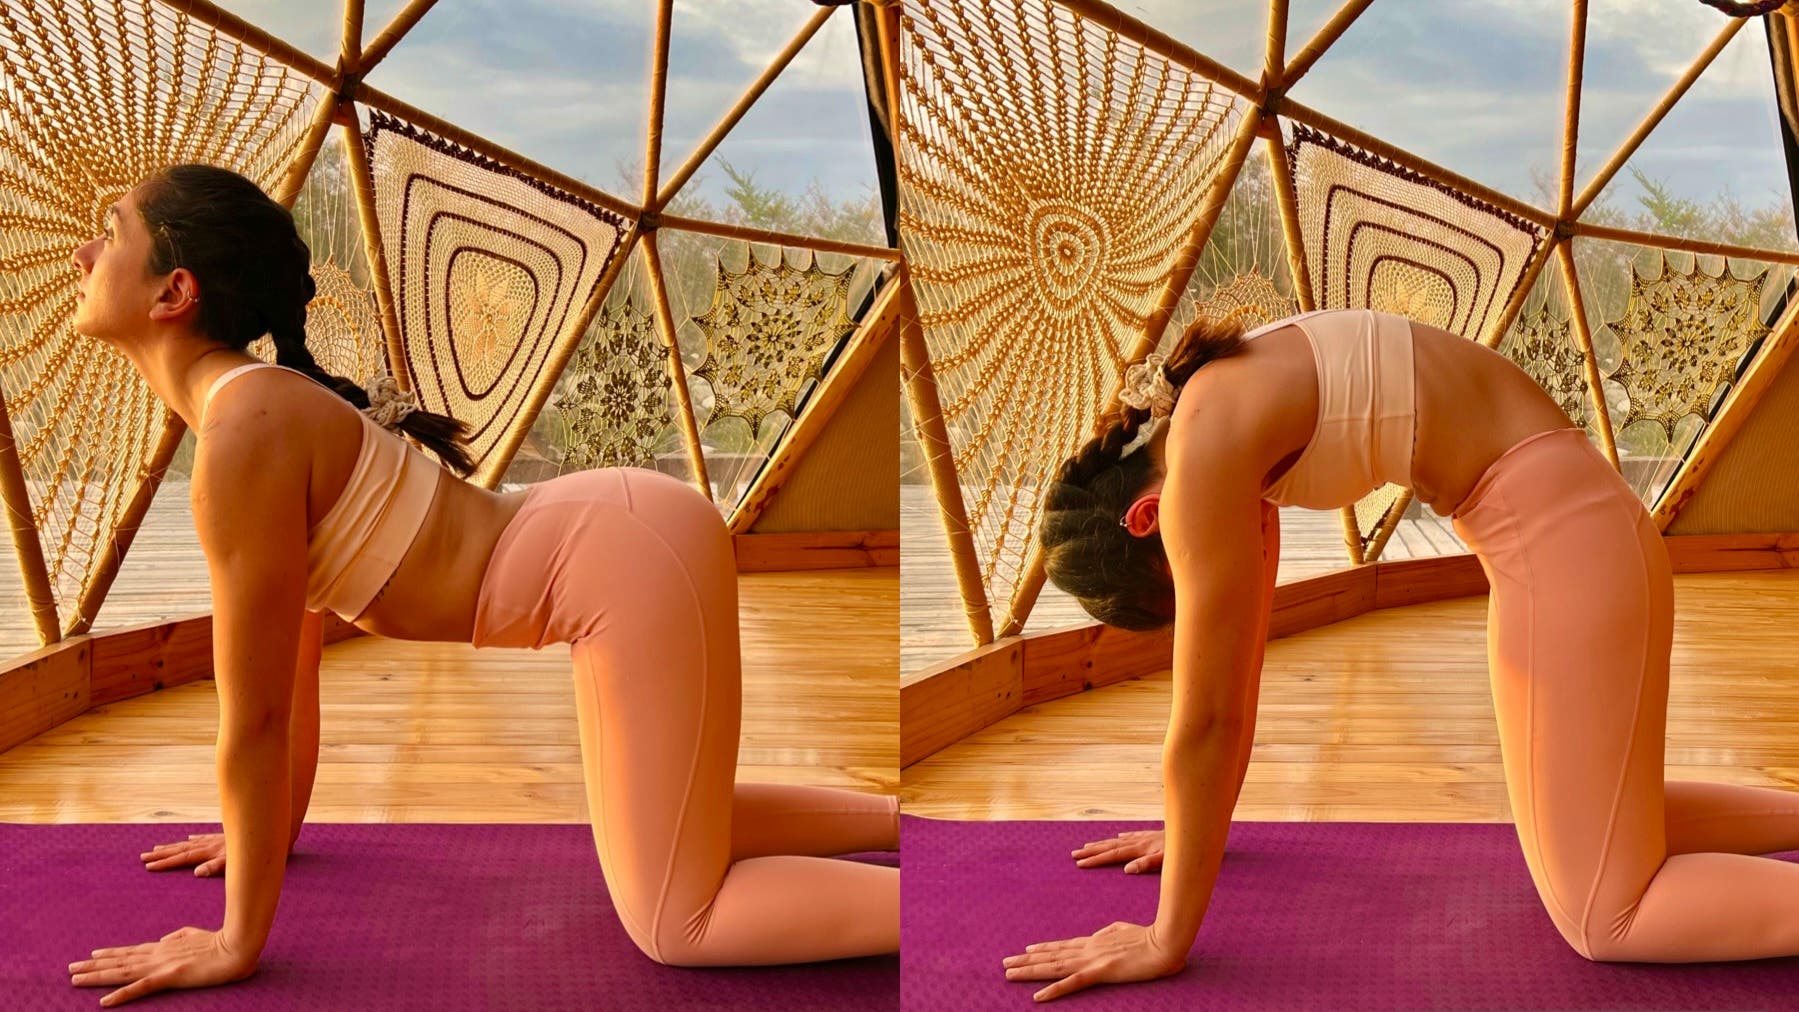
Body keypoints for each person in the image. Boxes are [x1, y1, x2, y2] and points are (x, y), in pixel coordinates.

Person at [63, 165, 898, 1008]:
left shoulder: (246, 430)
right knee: (669, 825)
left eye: (113, 230)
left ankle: (922, 904)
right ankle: (908, 828)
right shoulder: (252, 415)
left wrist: (234, 941)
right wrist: (267, 839)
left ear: (174, 291)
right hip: (622, 541)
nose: (86, 253)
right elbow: (291, 678)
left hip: (622, 561)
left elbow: (257, 720)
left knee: (677, 921)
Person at [1002, 307, 1799, 1002]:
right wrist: (1188, 833)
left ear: (1146, 520)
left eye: (1177, 573)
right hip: (1564, 538)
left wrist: (1163, 935)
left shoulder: (1203, 452)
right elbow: (1234, 680)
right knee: (1577, 834)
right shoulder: (1217, 400)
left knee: (1604, 913)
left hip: (1567, 549)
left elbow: (1209, 718)